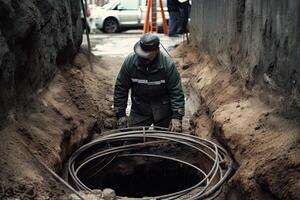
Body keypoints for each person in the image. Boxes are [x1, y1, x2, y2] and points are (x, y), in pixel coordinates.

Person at [114, 34, 185, 132]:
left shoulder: (168, 65)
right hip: (140, 110)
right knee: (131, 139)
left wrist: (177, 117)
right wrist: (120, 114)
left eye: (146, 55)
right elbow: (121, 87)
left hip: (163, 111)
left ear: (157, 51)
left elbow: (176, 92)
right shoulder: (130, 62)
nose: (142, 58)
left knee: (171, 140)